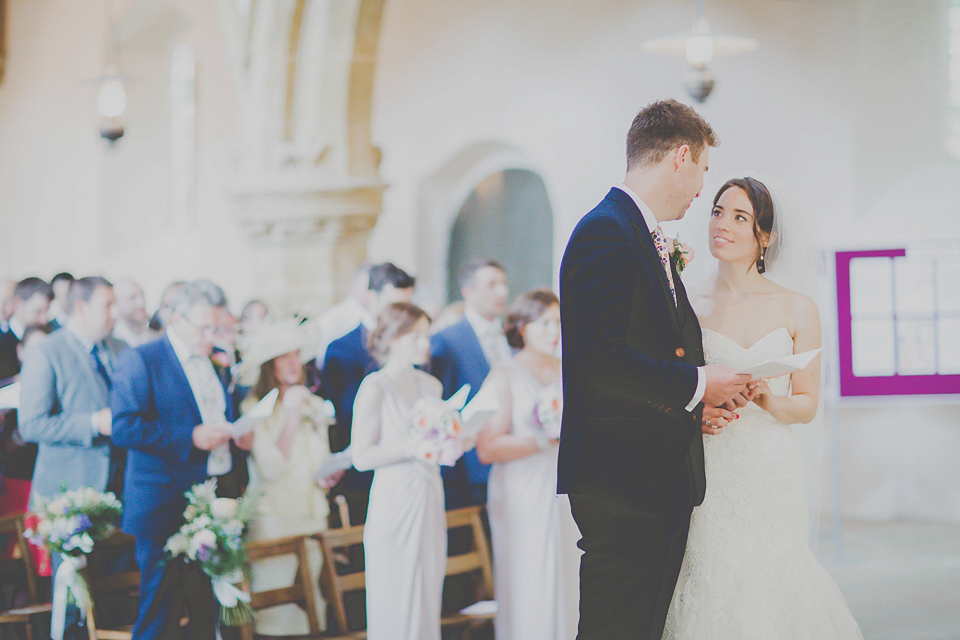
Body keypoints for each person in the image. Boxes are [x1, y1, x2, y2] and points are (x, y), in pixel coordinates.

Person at [557, 99, 750, 640]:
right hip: (622, 482)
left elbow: (659, 348)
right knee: (615, 628)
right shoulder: (605, 232)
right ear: (681, 156)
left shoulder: (641, 233)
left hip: (650, 474)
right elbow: (603, 362)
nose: (699, 190)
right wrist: (697, 384)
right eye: (702, 173)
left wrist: (697, 403)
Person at [662, 177, 863, 638]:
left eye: (739, 218)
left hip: (770, 467)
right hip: (708, 461)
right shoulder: (687, 302)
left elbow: (808, 405)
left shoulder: (797, 307)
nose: (722, 225)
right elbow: (671, 385)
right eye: (717, 212)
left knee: (771, 577)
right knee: (711, 576)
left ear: (764, 238)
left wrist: (769, 398)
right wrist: (698, 411)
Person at [111, 279, 254, 640]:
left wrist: (239, 435)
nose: (212, 335)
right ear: (176, 319)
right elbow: (124, 427)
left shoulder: (217, 361)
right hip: (164, 502)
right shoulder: (143, 359)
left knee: (209, 610)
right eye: (204, 327)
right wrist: (189, 437)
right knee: (160, 612)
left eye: (219, 327)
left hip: (214, 495)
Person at [351, 302, 453, 640]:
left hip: (429, 493)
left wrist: (451, 441)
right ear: (392, 338)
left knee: (428, 586)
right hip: (395, 500)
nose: (425, 345)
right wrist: (412, 447)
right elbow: (361, 456)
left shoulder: (431, 386)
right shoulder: (375, 387)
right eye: (415, 337)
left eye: (426, 336)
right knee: (395, 595)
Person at [477, 289, 572, 640]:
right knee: (530, 574)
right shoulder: (505, 375)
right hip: (521, 489)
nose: (554, 331)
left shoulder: (570, 370)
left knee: (567, 569)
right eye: (544, 322)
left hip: (564, 484)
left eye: (559, 322)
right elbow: (487, 447)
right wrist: (542, 441)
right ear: (521, 328)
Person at [237, 317, 339, 636]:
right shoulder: (254, 407)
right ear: (270, 365)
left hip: (312, 513)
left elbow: (320, 457)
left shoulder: (316, 404)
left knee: (312, 606)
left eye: (296, 354)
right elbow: (271, 468)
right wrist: (292, 416)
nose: (294, 363)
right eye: (284, 356)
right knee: (276, 611)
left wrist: (328, 476)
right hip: (275, 516)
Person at [322, 262, 414, 524]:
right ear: (371, 298)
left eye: (407, 306)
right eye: (395, 305)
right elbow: (350, 415)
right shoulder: (343, 349)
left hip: (413, 466)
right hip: (367, 471)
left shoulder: (415, 345)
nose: (402, 315)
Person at [19, 277, 126, 502]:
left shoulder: (121, 348)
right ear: (81, 308)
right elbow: (31, 425)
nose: (116, 313)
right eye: (108, 305)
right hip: (67, 491)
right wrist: (93, 423)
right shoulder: (46, 352)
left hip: (122, 482)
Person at [430, 258, 510, 508]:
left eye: (504, 283)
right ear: (468, 292)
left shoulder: (513, 338)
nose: (502, 292)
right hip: (470, 474)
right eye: (492, 284)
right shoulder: (446, 341)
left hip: (514, 463)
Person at [0, 277, 54, 379]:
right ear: (18, 303)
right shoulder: (2, 341)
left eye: (46, 311)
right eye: (38, 311)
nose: (44, 320)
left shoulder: (50, 337)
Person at [112, 279, 159, 347]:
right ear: (116, 304)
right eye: (132, 298)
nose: (141, 303)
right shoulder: (110, 343)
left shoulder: (155, 338)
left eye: (142, 295)